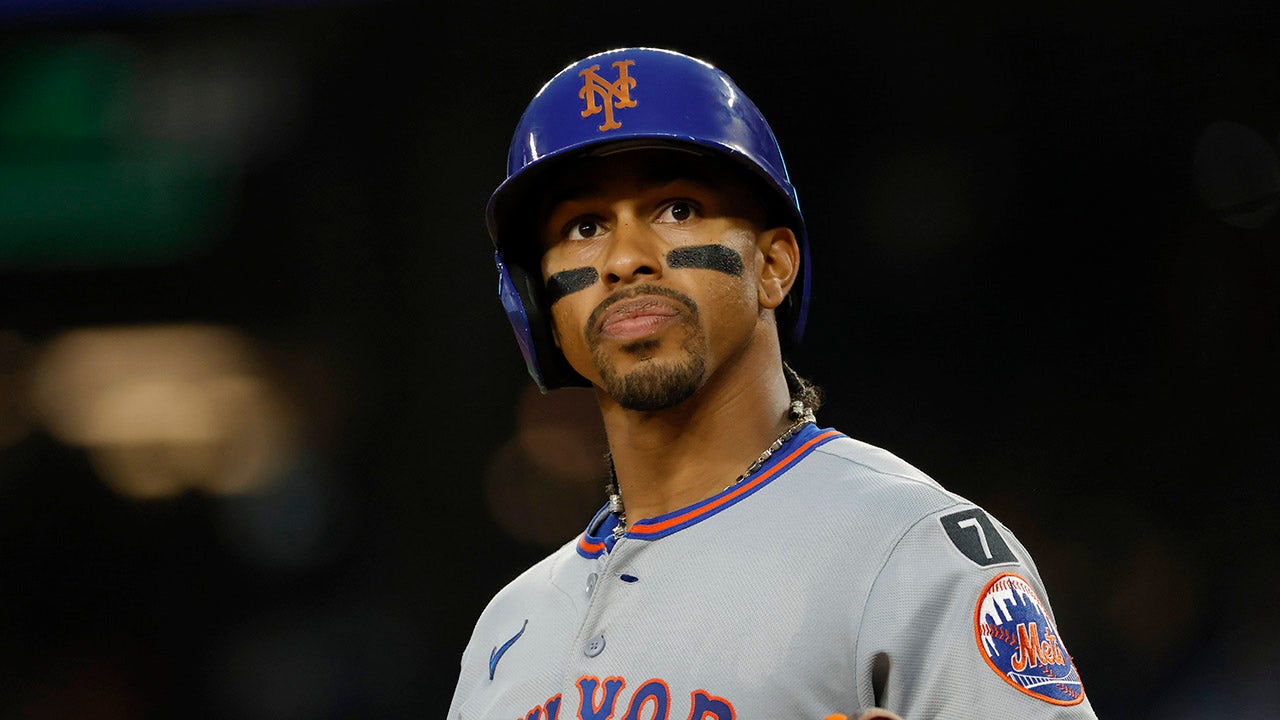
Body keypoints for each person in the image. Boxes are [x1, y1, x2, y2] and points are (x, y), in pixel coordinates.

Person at [449, 47, 1098, 720]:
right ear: (540, 309)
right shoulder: (509, 628)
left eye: (677, 209)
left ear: (774, 266)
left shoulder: (911, 549)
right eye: (584, 227)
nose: (626, 259)